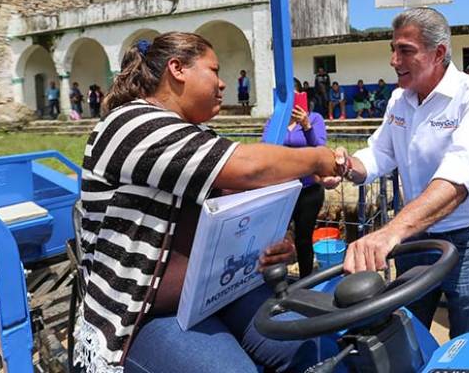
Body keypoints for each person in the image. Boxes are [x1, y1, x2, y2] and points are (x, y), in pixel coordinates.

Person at [72, 32, 342, 373]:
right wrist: (319, 158)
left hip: (216, 294)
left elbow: (240, 204)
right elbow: (249, 168)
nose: (223, 84)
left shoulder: (195, 135)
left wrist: (274, 243)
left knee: (316, 346)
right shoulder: (130, 123)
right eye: (213, 71)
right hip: (142, 314)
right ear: (177, 69)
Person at [330, 7, 469, 339]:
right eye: (392, 50)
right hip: (415, 237)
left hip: (467, 238)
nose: (394, 60)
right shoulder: (399, 99)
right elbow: (380, 153)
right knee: (410, 329)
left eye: (405, 50)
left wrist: (390, 232)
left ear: (438, 53)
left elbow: (459, 177)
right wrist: (346, 165)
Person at [262, 79, 327, 277]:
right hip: (282, 190)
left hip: (308, 190)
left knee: (304, 238)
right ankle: (275, 279)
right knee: (274, 238)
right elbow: (265, 146)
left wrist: (306, 126)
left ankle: (305, 280)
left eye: (293, 96)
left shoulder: (314, 119)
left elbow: (320, 148)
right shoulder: (275, 121)